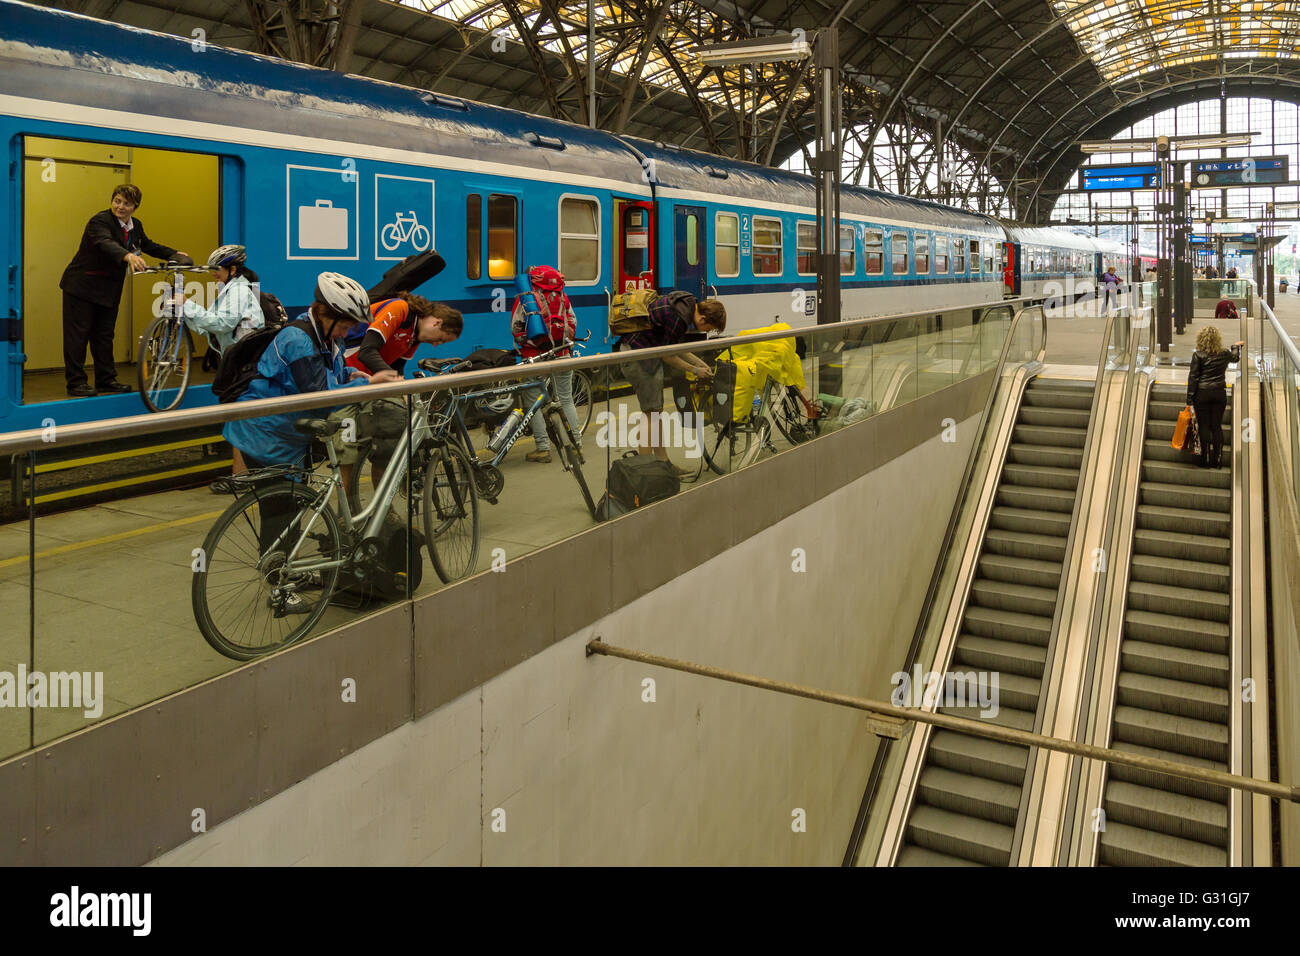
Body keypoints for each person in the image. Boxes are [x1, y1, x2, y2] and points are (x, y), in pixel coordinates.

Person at [222, 273, 387, 613]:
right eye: (345, 325)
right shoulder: (297, 339)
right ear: (327, 314)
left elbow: (328, 376)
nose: (347, 333)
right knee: (279, 513)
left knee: (291, 509)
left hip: (286, 439)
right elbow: (317, 398)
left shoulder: (325, 338)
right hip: (263, 436)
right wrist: (362, 388)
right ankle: (279, 588)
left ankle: (290, 573)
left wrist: (349, 377)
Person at [59, 184, 188, 396]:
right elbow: (105, 243)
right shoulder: (99, 221)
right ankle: (76, 383)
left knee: (104, 335)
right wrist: (127, 256)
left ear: (135, 207)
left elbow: (147, 245)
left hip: (108, 290)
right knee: (77, 337)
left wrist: (174, 254)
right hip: (81, 287)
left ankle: (106, 380)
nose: (120, 206)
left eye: (126, 203)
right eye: (117, 201)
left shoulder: (135, 225)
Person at [334, 292, 463, 497]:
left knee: (387, 442)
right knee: (347, 452)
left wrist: (403, 391)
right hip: (347, 380)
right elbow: (367, 351)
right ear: (437, 323)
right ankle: (345, 513)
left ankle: (384, 507)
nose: (436, 345)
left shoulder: (413, 337)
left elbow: (397, 367)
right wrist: (394, 380)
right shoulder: (400, 310)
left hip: (369, 384)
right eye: (441, 339)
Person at [616, 291, 727, 475]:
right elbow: (668, 355)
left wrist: (699, 363)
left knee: (654, 414)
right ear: (704, 318)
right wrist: (694, 370)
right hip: (639, 359)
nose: (707, 332)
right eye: (709, 328)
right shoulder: (680, 318)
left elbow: (674, 346)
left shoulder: (687, 302)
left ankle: (663, 464)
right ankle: (646, 472)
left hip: (641, 356)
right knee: (650, 416)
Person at [510, 265, 579, 463]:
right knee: (566, 399)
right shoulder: (562, 297)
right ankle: (576, 445)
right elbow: (572, 321)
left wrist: (528, 342)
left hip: (536, 357)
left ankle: (543, 448)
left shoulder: (527, 299)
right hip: (562, 353)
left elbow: (516, 328)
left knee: (534, 402)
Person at [1187, 326, 1243, 469]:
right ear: (1217, 339)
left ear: (1201, 339)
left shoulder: (1198, 355)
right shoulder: (1224, 353)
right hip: (1219, 393)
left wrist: (1190, 399)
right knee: (1216, 426)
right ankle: (1217, 460)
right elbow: (1235, 358)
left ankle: (1204, 459)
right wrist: (1235, 347)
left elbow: (1193, 378)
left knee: (1204, 426)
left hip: (1202, 394)